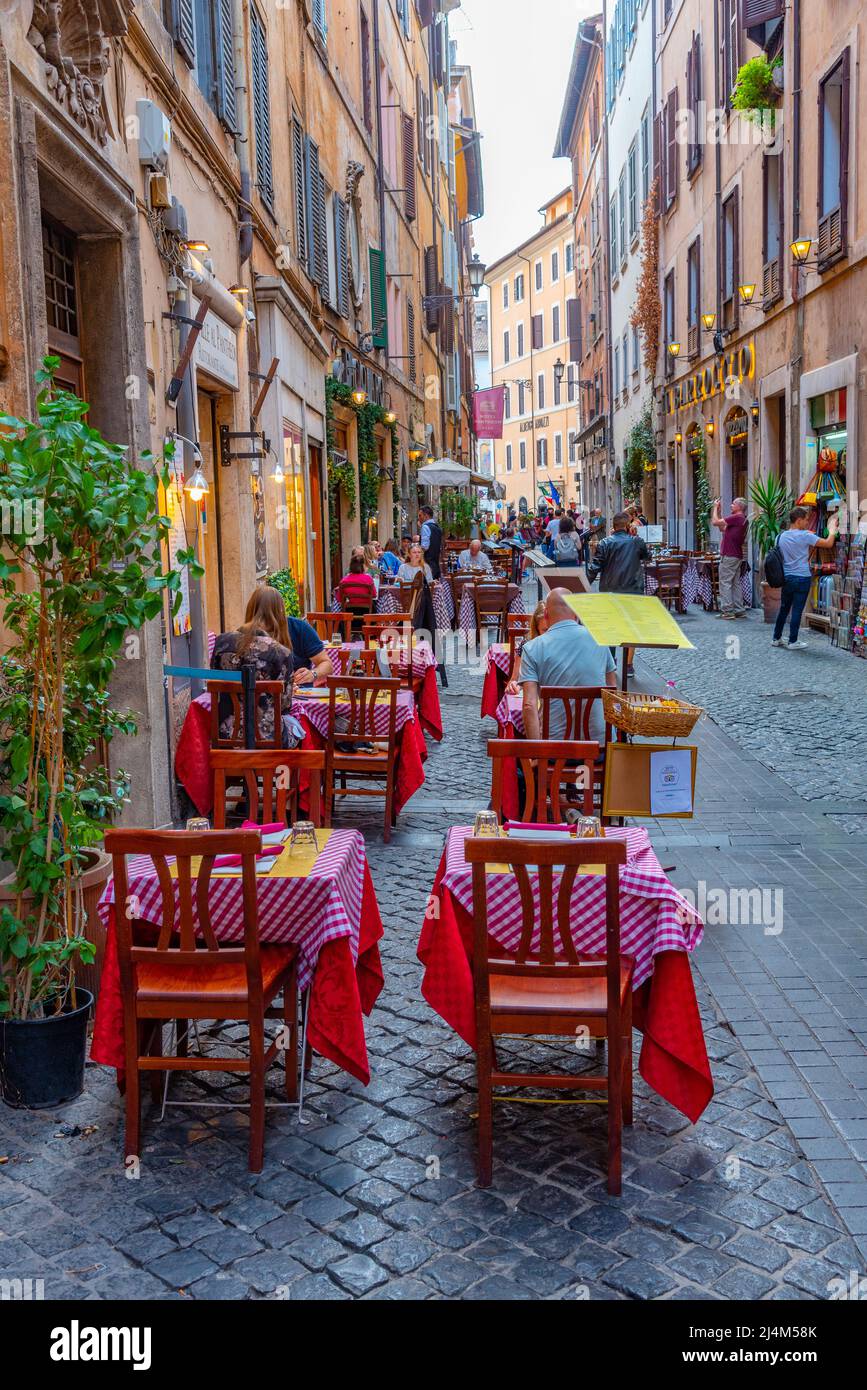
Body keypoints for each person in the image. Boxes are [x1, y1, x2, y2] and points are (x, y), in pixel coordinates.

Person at [211, 586, 331, 744]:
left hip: (225, 734)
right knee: (299, 725)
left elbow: (216, 685)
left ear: (250, 609)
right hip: (269, 737)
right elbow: (284, 706)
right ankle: (299, 767)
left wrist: (313, 674)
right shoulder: (281, 652)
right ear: (280, 611)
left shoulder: (222, 642)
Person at [519, 588, 617, 746]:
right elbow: (612, 692)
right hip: (599, 747)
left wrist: (537, 753)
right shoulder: (600, 639)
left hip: (553, 749)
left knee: (518, 765)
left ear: (546, 615)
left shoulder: (532, 648)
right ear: (577, 614)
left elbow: (529, 705)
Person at [772, 506, 839, 649]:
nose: (808, 523)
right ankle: (793, 641)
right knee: (797, 610)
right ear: (798, 520)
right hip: (802, 578)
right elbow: (828, 543)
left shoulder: (780, 537)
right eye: (806, 520)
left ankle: (776, 638)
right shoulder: (805, 536)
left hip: (787, 578)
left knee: (784, 608)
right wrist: (832, 530)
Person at [585, 510, 649, 594]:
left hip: (610, 589)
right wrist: (635, 536)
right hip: (633, 589)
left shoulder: (604, 543)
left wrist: (583, 586)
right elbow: (646, 557)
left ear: (614, 526)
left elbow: (594, 567)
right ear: (628, 526)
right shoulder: (637, 541)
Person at [712, 496, 749, 619]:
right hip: (736, 555)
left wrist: (714, 508)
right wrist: (719, 512)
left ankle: (727, 611)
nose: (731, 505)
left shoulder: (737, 517)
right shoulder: (741, 519)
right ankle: (739, 609)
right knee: (735, 583)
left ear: (739, 507)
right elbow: (723, 528)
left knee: (725, 582)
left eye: (733, 504)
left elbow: (715, 522)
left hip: (729, 555)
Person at [506, 600, 548, 694]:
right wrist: (513, 685)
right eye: (545, 630)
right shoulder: (527, 645)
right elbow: (515, 679)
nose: (550, 634)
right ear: (537, 629)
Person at [419, 505, 443, 579]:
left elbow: (425, 547)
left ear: (426, 516)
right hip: (436, 564)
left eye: (420, 515)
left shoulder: (425, 527)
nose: (419, 518)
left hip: (427, 564)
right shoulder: (437, 528)